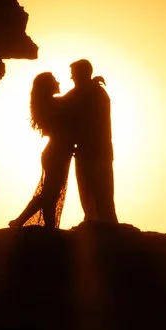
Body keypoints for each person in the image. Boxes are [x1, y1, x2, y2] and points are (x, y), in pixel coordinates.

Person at [4, 71, 73, 230]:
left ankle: (48, 226)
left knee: (51, 194)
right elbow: (73, 99)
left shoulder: (49, 104)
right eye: (55, 80)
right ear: (48, 86)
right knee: (50, 194)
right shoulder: (54, 104)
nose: (59, 82)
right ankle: (21, 221)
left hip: (54, 152)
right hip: (56, 153)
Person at [64, 59, 115, 227]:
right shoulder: (88, 91)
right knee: (88, 191)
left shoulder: (92, 93)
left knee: (99, 191)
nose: (71, 77)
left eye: (74, 74)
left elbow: (63, 105)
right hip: (90, 150)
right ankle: (95, 221)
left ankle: (102, 224)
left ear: (82, 73)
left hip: (95, 150)